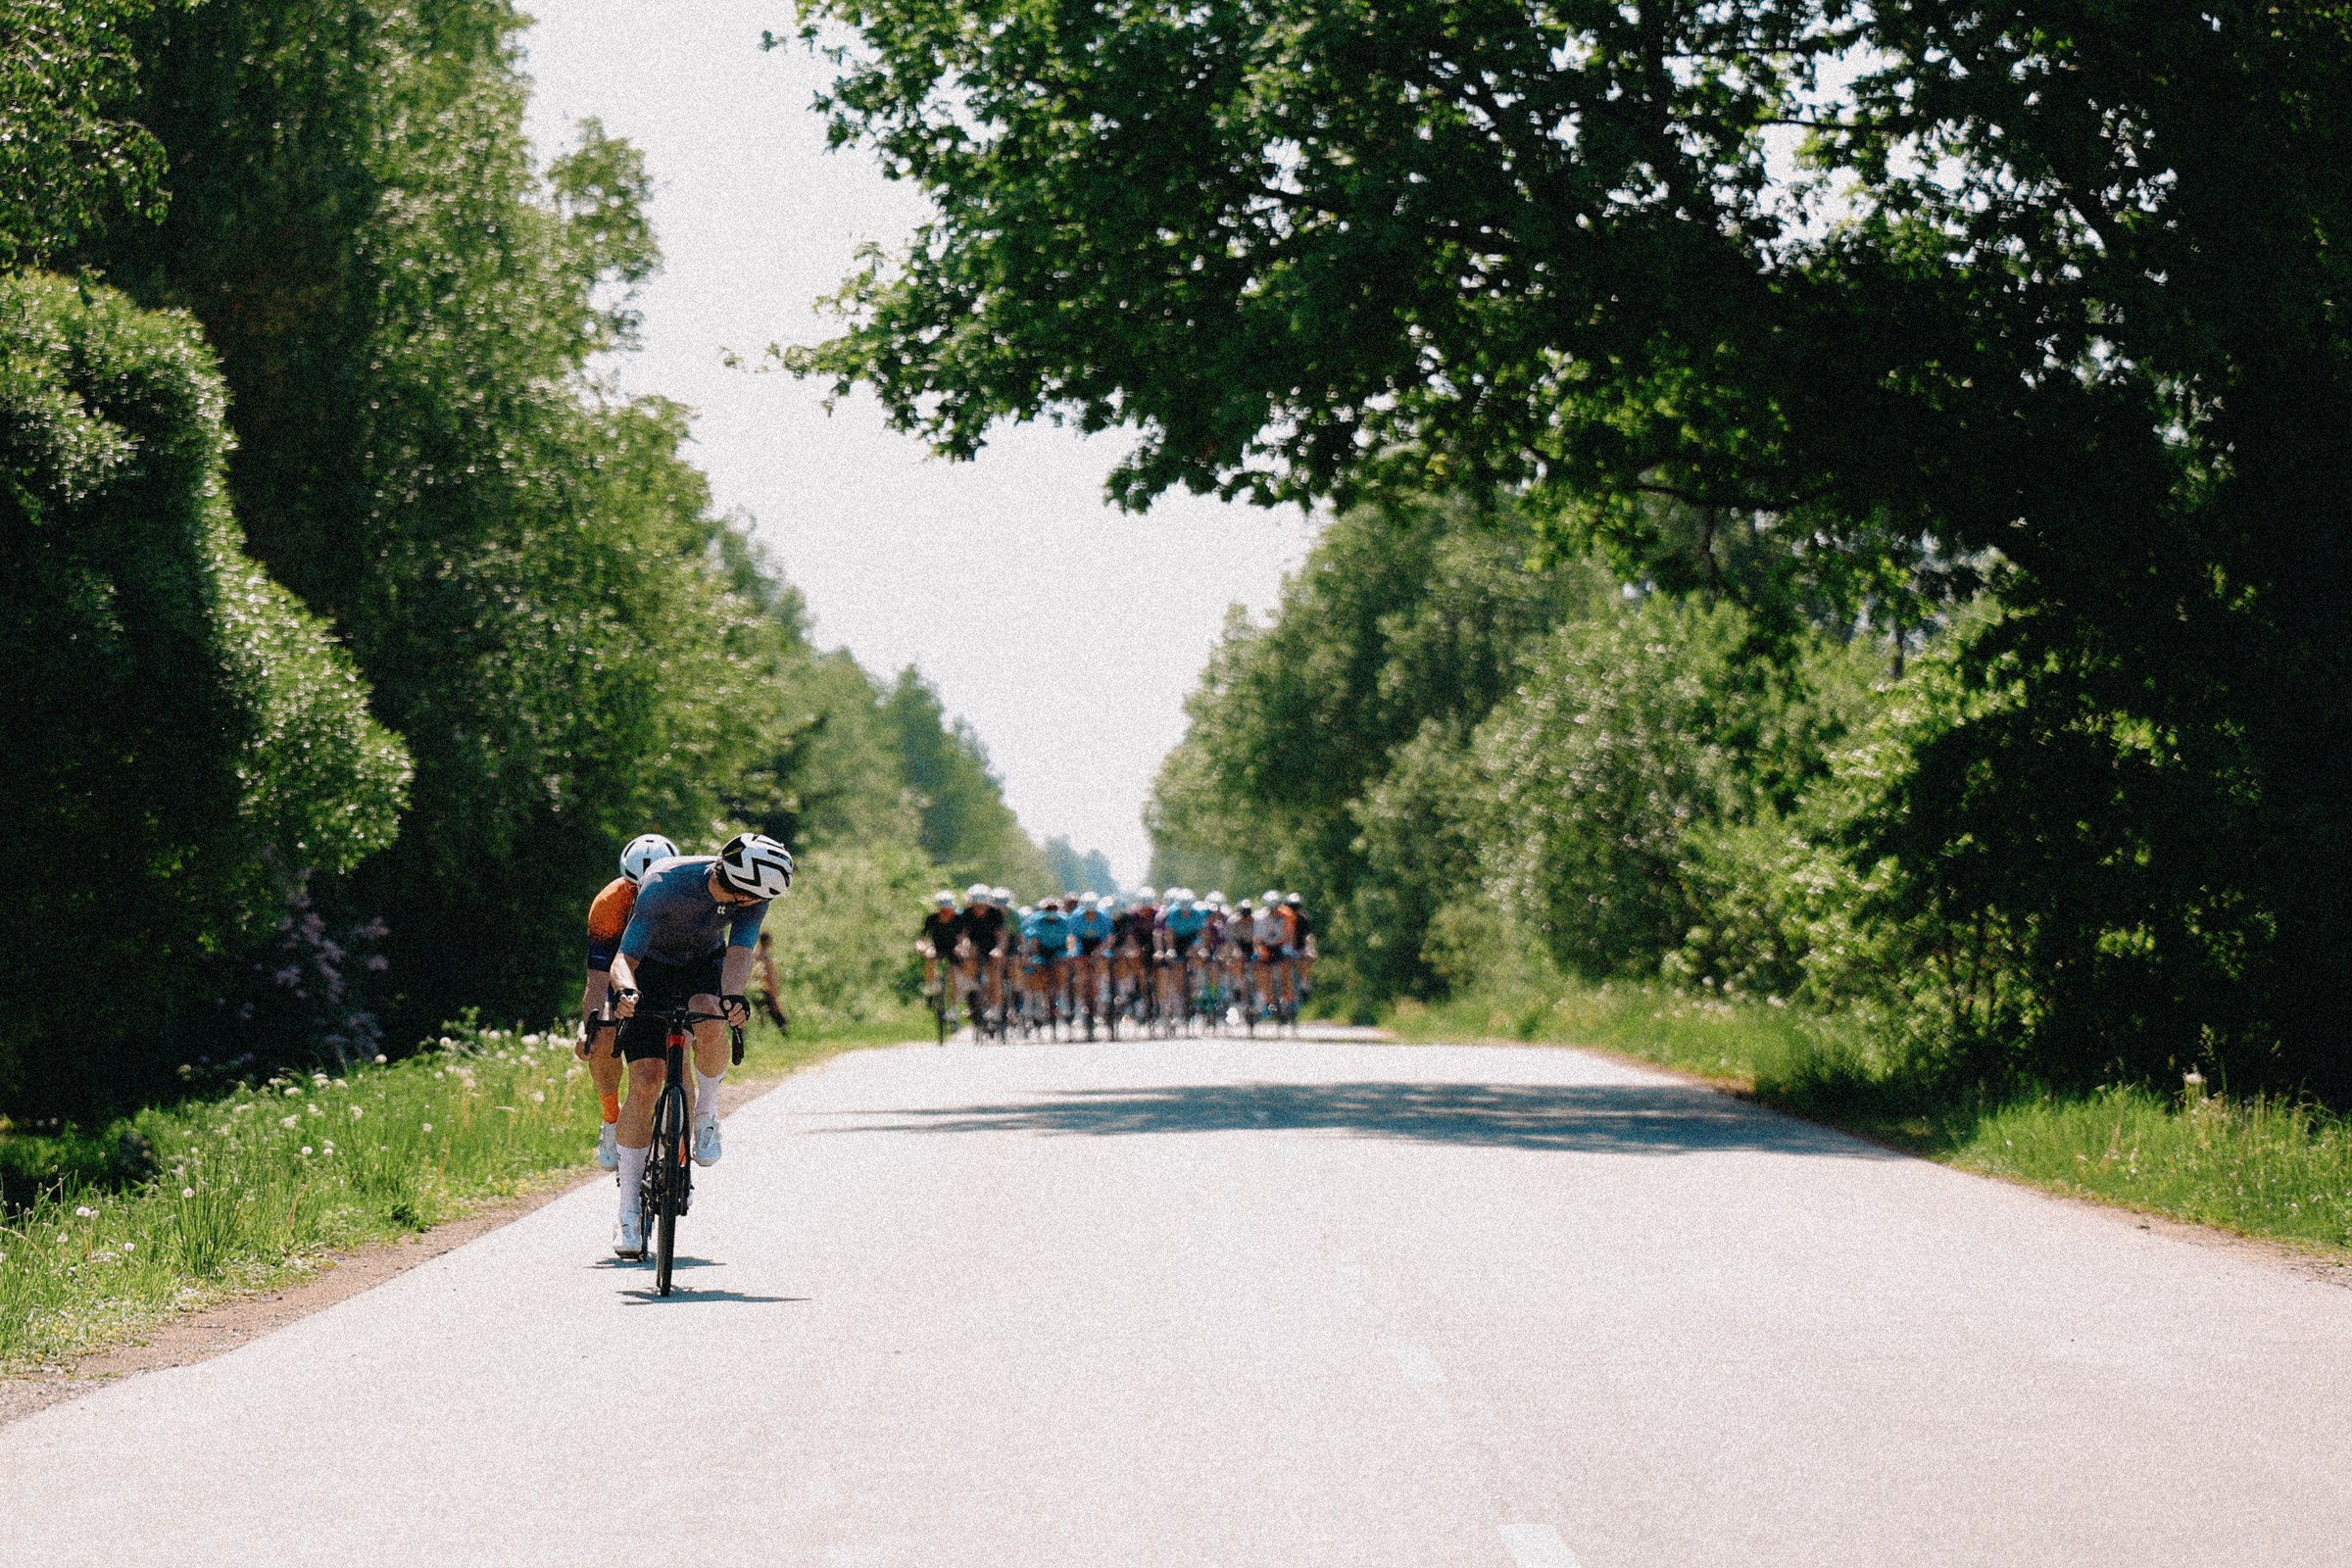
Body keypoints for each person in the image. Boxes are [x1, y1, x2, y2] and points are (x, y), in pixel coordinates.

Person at [605, 832, 793, 1256]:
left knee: (711, 1015)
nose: (761, 904)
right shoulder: (664, 883)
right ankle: (628, 1211)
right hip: (648, 967)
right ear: (742, 890)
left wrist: (733, 998)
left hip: (703, 963)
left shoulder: (754, 895)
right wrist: (626, 991)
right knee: (646, 1081)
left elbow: (739, 953)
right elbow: (624, 959)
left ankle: (706, 1113)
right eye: (759, 898)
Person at [579, 832, 676, 1171]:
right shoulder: (609, 904)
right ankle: (611, 1118)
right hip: (619, 974)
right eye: (635, 888)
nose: (642, 896)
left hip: (666, 971)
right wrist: (588, 1027)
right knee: (601, 1033)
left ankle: (679, 1125)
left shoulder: (683, 897)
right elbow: (597, 979)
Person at [957, 883, 1008, 1021]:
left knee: (995, 976)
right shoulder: (965, 914)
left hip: (992, 945)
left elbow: (1002, 937)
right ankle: (972, 998)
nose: (980, 909)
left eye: (983, 906)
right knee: (968, 964)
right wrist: (963, 947)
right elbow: (962, 935)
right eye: (976, 906)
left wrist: (998, 949)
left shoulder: (996, 913)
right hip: (975, 945)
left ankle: (996, 1009)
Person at [1067, 892, 1115, 1032]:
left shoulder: (1103, 916)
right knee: (1080, 975)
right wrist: (1072, 952)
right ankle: (1078, 1010)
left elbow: (1109, 938)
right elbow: (1072, 937)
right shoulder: (1076, 916)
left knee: (1102, 962)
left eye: (1092, 912)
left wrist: (1099, 952)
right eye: (1087, 912)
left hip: (1099, 943)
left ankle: (1102, 995)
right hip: (1082, 944)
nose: (1090, 914)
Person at [915, 890, 963, 1005]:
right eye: (943, 910)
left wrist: (961, 947)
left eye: (949, 910)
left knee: (955, 977)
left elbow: (962, 937)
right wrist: (921, 946)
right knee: (930, 956)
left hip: (953, 947)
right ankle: (931, 988)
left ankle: (953, 1008)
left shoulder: (958, 919)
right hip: (937, 946)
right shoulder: (931, 918)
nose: (946, 913)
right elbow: (922, 937)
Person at [752, 931, 789, 1033]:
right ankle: (783, 1032)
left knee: (765, 1013)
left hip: (757, 989)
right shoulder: (764, 957)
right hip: (765, 989)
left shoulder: (756, 954)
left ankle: (764, 1032)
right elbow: (767, 975)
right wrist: (773, 991)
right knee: (775, 1013)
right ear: (768, 942)